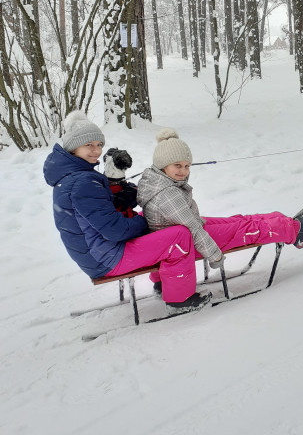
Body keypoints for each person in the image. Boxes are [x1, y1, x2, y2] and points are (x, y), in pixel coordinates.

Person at [44, 111, 212, 315]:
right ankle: (180, 299)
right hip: (105, 259)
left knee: (164, 228)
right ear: (73, 146)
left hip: (96, 252)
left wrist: (126, 191)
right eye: (89, 145)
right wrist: (146, 223)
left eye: (99, 144)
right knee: (178, 234)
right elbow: (115, 230)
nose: (96, 151)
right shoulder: (82, 181)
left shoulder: (74, 175)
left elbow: (102, 208)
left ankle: (164, 284)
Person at [136, 128, 303, 292]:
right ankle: (293, 230)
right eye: (177, 165)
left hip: (178, 237)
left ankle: (280, 220)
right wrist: (214, 256)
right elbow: (193, 228)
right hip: (186, 244)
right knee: (240, 231)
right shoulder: (168, 194)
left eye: (187, 166)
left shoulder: (157, 181)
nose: (183, 171)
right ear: (162, 165)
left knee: (235, 221)